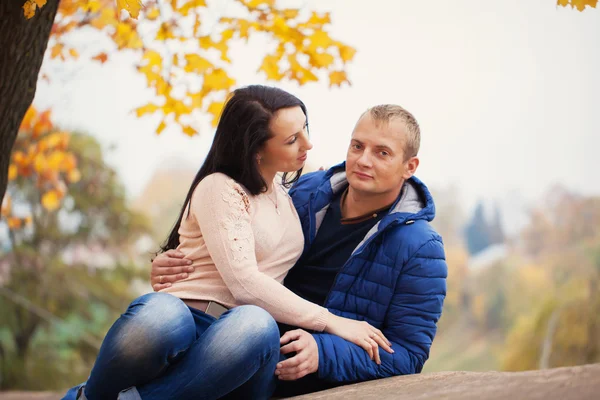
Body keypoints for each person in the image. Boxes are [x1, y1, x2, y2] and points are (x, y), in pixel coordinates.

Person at [62, 85, 391, 400]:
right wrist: (333, 321)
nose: (308, 143)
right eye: (292, 140)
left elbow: (344, 184)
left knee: (255, 323)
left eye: (305, 128)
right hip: (186, 320)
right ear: (256, 149)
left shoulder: (288, 193)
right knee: (162, 316)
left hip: (243, 346)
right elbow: (244, 281)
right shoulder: (221, 187)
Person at [154, 103, 448, 397]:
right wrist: (177, 263)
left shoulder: (421, 248)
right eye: (357, 146)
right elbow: (241, 248)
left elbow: (407, 353)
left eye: (382, 153)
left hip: (302, 374)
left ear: (410, 167)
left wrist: (322, 353)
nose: (363, 160)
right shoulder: (305, 192)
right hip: (242, 335)